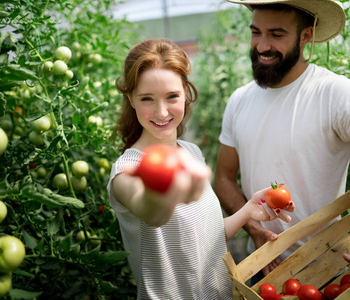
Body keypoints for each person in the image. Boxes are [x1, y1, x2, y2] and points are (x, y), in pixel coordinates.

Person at [215, 0, 350, 280]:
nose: (261, 46)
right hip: (261, 270)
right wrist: (256, 230)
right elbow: (223, 178)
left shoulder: (337, 95)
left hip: (328, 270)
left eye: (276, 34)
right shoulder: (239, 100)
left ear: (306, 36)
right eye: (256, 32)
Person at [107, 38, 293, 299]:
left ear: (185, 91)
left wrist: (247, 211)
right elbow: (152, 212)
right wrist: (170, 193)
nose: (161, 112)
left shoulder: (191, 152)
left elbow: (205, 239)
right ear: (131, 98)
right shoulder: (127, 170)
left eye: (172, 96)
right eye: (147, 98)